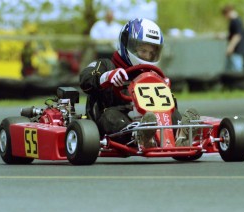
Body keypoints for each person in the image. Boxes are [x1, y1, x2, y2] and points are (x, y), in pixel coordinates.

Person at [80, 18, 200, 148]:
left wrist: (163, 88)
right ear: (126, 44)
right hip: (114, 116)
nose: (147, 57)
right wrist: (106, 77)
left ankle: (180, 136)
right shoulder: (106, 65)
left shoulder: (152, 74)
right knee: (110, 116)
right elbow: (85, 80)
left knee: (171, 112)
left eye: (151, 53)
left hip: (150, 118)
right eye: (143, 51)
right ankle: (140, 136)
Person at [222, 5, 244, 72]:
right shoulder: (237, 20)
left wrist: (230, 47)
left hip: (237, 49)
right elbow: (233, 34)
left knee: (237, 69)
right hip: (237, 49)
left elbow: (237, 36)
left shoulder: (235, 21)